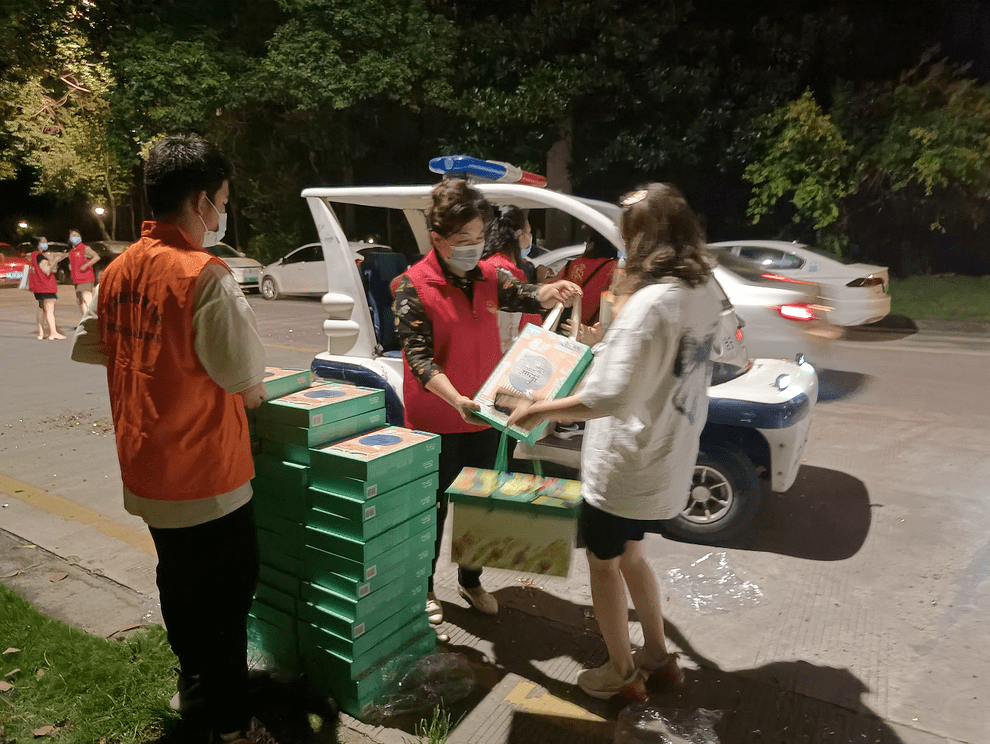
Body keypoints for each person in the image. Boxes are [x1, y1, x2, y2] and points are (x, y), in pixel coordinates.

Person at [71, 135, 269, 744]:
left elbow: (92, 346)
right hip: (208, 474)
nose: (223, 212)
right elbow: (247, 384)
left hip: (147, 467)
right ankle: (232, 724)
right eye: (223, 202)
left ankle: (194, 684)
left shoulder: (118, 269)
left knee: (178, 584)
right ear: (201, 201)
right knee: (227, 602)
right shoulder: (205, 276)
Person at [507, 183, 721, 701]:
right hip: (666, 453)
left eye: (629, 238)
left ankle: (622, 675)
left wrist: (535, 409)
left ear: (643, 239)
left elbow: (609, 397)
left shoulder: (650, 302)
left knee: (603, 565)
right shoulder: (703, 291)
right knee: (632, 555)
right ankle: (659, 658)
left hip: (626, 464)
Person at [393, 179, 582, 624]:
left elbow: (524, 294)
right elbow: (418, 359)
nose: (474, 247)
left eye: (479, 237)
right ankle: (424, 587)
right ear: (437, 239)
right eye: (463, 239)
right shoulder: (412, 285)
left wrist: (550, 292)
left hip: (486, 414)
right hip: (436, 418)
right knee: (432, 508)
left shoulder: (489, 277)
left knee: (480, 501)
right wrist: (455, 397)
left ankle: (470, 579)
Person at [481, 205, 542, 351]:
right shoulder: (507, 271)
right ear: (519, 234)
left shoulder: (489, 263)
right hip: (503, 354)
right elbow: (524, 325)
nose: (530, 237)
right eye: (529, 232)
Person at [555, 228, 618, 326]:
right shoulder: (613, 267)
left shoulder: (572, 264)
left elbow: (553, 286)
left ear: (592, 244)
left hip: (565, 322)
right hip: (591, 327)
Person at [28, 237, 65, 340]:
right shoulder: (40, 257)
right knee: (49, 310)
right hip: (46, 286)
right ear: (38, 244)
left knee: (41, 308)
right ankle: (53, 333)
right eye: (43, 242)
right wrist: (56, 260)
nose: (46, 243)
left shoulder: (33, 255)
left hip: (37, 286)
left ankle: (41, 332)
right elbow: (47, 271)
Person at [67, 229, 99, 315]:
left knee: (87, 299)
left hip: (86, 278)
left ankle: (93, 319)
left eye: (77, 235)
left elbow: (96, 257)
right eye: (73, 236)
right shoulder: (71, 251)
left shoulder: (85, 248)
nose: (75, 237)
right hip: (76, 279)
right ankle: (85, 319)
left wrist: (86, 265)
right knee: (80, 301)